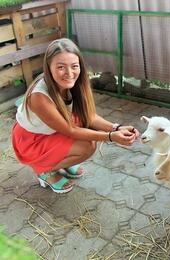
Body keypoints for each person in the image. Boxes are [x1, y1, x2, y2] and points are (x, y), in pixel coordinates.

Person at [11, 38, 140, 194]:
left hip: (52, 130)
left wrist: (117, 127)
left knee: (86, 133)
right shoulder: (39, 96)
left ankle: (61, 161)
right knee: (88, 146)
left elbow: (89, 116)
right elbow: (71, 130)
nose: (69, 73)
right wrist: (112, 136)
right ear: (48, 68)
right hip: (31, 140)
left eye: (74, 66)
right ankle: (46, 172)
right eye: (61, 67)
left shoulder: (74, 84)